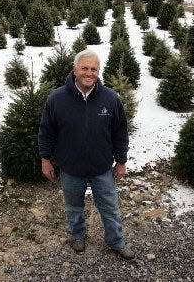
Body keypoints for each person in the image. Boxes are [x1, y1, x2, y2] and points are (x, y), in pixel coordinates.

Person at [38, 49, 134, 260]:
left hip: (101, 168)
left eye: (93, 69)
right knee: (74, 207)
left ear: (98, 72)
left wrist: (121, 161)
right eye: (84, 68)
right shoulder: (57, 99)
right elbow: (46, 131)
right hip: (71, 169)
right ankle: (78, 235)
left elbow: (120, 133)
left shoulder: (110, 99)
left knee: (110, 208)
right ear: (75, 70)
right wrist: (45, 159)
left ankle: (116, 241)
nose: (89, 73)